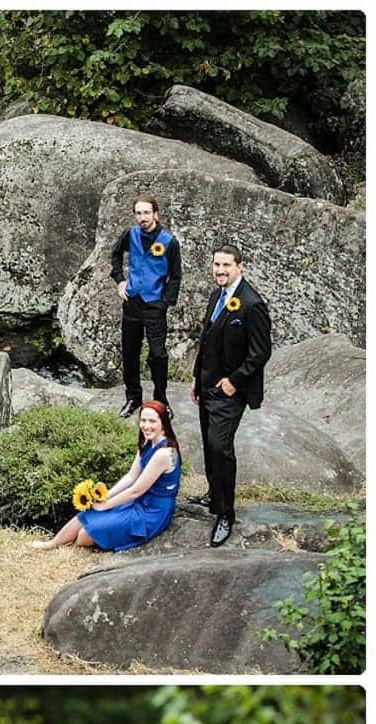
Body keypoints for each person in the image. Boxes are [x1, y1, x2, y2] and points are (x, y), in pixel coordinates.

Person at [190, 245, 272, 548]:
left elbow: (261, 352)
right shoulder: (216, 295)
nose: (220, 270)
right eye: (216, 265)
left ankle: (225, 514)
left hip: (230, 390)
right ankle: (214, 494)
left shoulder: (251, 304)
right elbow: (207, 339)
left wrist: (234, 382)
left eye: (226, 265)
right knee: (208, 444)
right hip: (207, 384)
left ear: (241, 266)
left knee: (220, 446)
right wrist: (196, 377)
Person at [30, 400, 181, 552]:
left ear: (163, 423)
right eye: (143, 420)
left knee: (84, 535)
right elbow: (130, 477)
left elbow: (135, 490)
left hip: (153, 511)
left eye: (152, 421)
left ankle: (74, 546)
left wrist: (105, 506)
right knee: (86, 515)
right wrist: (106, 496)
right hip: (139, 501)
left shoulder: (164, 453)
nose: (146, 426)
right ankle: (52, 544)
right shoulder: (147, 442)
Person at [111, 194, 182, 418]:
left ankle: (161, 399)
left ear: (155, 214)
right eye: (139, 213)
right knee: (129, 352)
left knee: (158, 354)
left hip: (154, 305)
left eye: (146, 213)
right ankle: (133, 398)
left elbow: (176, 276)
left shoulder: (169, 241)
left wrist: (164, 303)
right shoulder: (129, 235)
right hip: (132, 303)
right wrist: (120, 280)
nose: (143, 217)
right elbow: (114, 256)